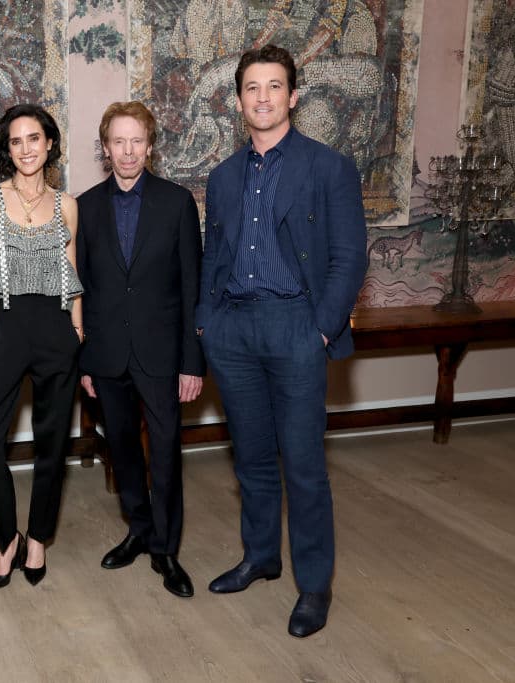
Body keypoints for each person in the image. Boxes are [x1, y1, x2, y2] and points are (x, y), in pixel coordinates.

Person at [196, 44, 367, 637]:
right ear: (238, 99)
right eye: (251, 88)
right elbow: (211, 256)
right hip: (233, 331)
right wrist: (206, 324)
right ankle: (261, 556)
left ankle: (314, 586)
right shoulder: (221, 178)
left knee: (303, 466)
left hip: (298, 327)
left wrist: (320, 327)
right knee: (251, 460)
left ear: (293, 96)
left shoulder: (328, 167)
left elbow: (349, 258)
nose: (262, 97)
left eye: (274, 86)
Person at [76, 101, 204, 598]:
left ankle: (166, 549)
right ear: (105, 148)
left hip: (163, 354)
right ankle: (138, 528)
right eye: (118, 142)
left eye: (137, 141)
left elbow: (192, 287)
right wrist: (85, 360)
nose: (128, 151)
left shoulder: (176, 203)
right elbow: (80, 289)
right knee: (124, 450)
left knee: (167, 452)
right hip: (107, 355)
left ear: (150, 146)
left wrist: (192, 362)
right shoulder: (84, 207)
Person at [0, 104, 83, 591]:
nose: (26, 149)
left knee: (52, 443)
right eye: (16, 141)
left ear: (49, 142)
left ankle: (37, 538)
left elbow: (70, 271)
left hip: (58, 328)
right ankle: (6, 538)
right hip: (6, 325)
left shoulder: (67, 205)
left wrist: (77, 329)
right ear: (7, 149)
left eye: (34, 138)